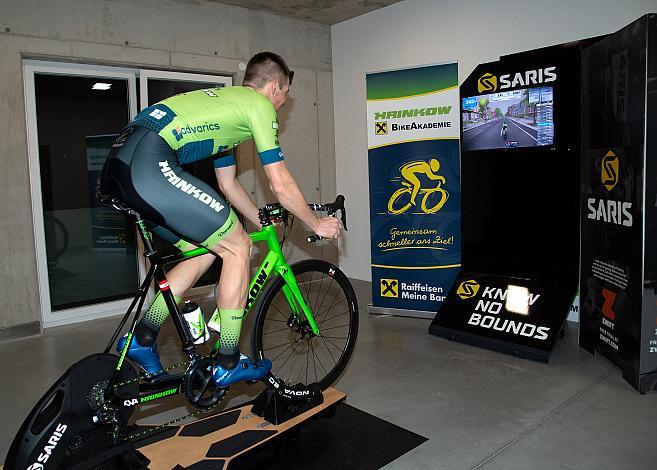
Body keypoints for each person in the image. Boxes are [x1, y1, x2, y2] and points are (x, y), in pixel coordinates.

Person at [101, 52, 342, 387]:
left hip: (121, 166)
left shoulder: (226, 111)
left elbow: (228, 184)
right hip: (149, 163)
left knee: (204, 251)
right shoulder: (258, 106)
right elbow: (280, 183)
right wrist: (316, 223)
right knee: (237, 247)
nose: (283, 103)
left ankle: (142, 339)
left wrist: (259, 221)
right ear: (274, 86)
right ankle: (228, 359)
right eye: (285, 93)